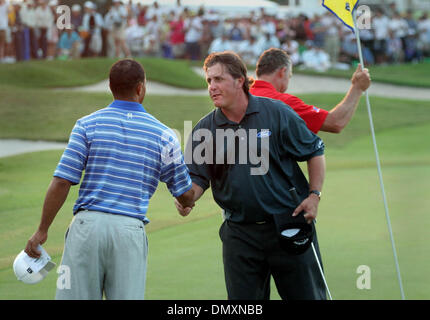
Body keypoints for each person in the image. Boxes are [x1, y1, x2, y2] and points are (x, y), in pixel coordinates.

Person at [24, 59, 195, 300]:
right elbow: (184, 193)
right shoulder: (164, 135)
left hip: (85, 228)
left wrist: (42, 230)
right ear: (140, 88)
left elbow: (62, 181)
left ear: (110, 86)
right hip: (129, 231)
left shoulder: (86, 125)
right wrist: (187, 201)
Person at [176, 51, 327, 300]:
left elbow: (314, 150)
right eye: (209, 81)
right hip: (239, 234)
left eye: (219, 79)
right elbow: (197, 183)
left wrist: (314, 195)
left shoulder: (276, 112)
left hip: (288, 223)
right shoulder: (205, 130)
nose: (212, 87)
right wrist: (185, 197)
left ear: (240, 81)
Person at [250, 48, 371, 134]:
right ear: (282, 72)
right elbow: (336, 122)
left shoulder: (241, 95)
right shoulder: (283, 102)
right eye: (289, 76)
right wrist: (357, 88)